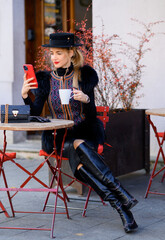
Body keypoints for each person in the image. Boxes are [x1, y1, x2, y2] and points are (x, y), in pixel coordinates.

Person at [21, 32, 138, 233]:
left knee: (79, 156)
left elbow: (91, 115)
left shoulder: (84, 77)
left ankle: (121, 206)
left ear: (71, 54)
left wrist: (87, 100)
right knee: (77, 147)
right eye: (52, 53)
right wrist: (25, 95)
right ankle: (121, 195)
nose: (54, 57)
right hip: (57, 137)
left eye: (59, 53)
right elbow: (33, 113)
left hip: (85, 131)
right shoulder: (45, 80)